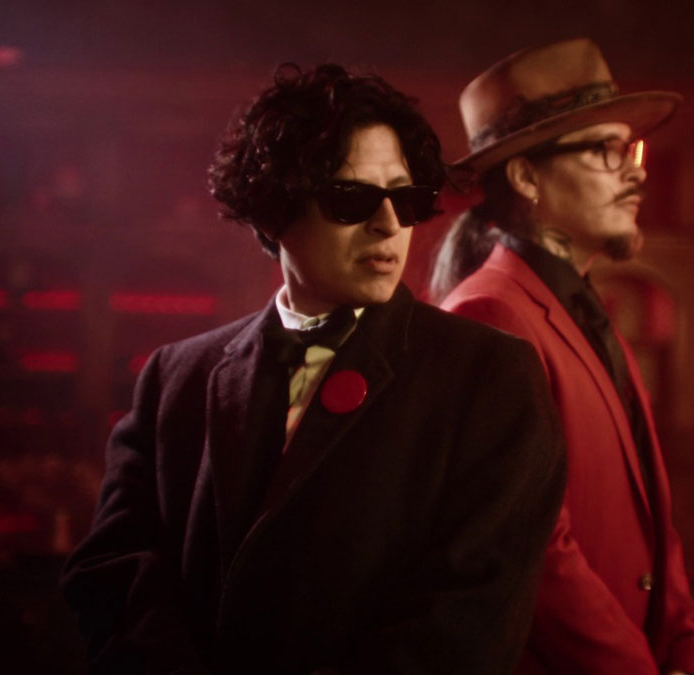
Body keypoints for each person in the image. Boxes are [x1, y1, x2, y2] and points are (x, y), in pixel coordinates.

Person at [62, 63, 567, 674]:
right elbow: (111, 573)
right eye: (351, 198)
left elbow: (468, 622)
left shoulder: (489, 376)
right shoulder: (178, 377)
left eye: (406, 198)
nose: (388, 225)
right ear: (272, 212)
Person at [433, 38, 694, 675]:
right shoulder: (490, 313)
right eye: (603, 150)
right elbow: (533, 550)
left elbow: (656, 526)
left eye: (630, 149)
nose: (636, 173)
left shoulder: (589, 313)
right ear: (526, 177)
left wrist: (688, 648)